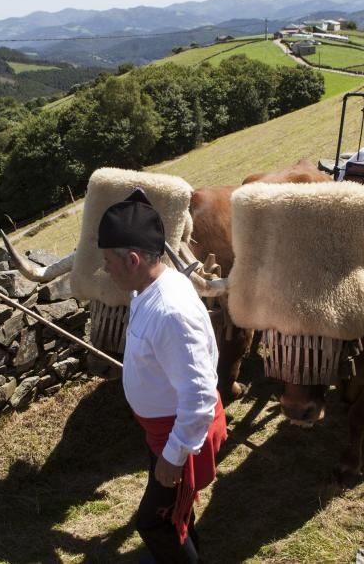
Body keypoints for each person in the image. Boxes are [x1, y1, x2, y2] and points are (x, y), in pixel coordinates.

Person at [98, 189, 227, 564]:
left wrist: (173, 455)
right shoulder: (147, 289)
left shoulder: (171, 310)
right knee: (173, 514)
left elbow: (200, 395)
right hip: (162, 431)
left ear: (134, 258)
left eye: (109, 260)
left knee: (154, 525)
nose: (105, 268)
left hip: (179, 435)